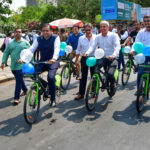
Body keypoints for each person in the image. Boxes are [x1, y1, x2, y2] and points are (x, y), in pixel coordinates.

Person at [28, 23, 60, 106]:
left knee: (51, 77)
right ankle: (45, 85)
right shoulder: (39, 38)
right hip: (42, 61)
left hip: (53, 61)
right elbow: (32, 49)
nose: (45, 32)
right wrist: (23, 58)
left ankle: (53, 99)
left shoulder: (55, 37)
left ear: (51, 31)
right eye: (43, 31)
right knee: (32, 73)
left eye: (47, 30)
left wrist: (54, 58)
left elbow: (57, 49)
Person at [85, 21, 120, 95]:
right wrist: (87, 52)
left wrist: (113, 55)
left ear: (108, 27)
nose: (102, 28)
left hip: (113, 58)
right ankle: (95, 89)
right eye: (101, 26)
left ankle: (112, 85)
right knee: (95, 70)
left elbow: (117, 46)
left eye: (104, 26)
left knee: (110, 74)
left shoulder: (114, 35)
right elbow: (93, 46)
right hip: (103, 57)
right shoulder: (98, 36)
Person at [1, 28, 30, 105]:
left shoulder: (25, 43)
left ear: (21, 33)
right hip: (13, 66)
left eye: (19, 32)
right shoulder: (10, 43)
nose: (18, 33)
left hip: (21, 65)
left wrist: (31, 63)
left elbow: (30, 53)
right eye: (16, 32)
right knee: (19, 79)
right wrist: (3, 61)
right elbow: (6, 52)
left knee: (18, 81)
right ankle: (25, 90)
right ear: (14, 33)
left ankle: (16, 98)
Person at [74, 23, 96, 100]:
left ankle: (93, 92)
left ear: (92, 30)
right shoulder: (81, 38)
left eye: (89, 30)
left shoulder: (96, 37)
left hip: (93, 58)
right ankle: (81, 93)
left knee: (94, 76)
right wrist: (77, 60)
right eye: (86, 30)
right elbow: (78, 49)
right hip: (84, 58)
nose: (87, 31)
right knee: (83, 77)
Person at [132, 15, 150, 95]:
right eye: (145, 21)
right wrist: (132, 50)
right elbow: (136, 43)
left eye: (148, 20)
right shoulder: (141, 32)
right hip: (143, 56)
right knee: (140, 72)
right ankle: (139, 89)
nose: (147, 22)